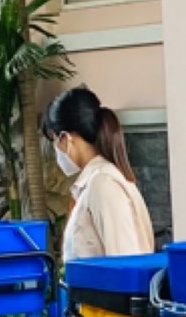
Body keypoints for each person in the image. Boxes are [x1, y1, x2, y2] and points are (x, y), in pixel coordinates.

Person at [42, 86, 156, 261]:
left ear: (66, 137)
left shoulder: (103, 184)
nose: (56, 148)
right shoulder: (97, 181)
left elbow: (123, 262)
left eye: (55, 140)